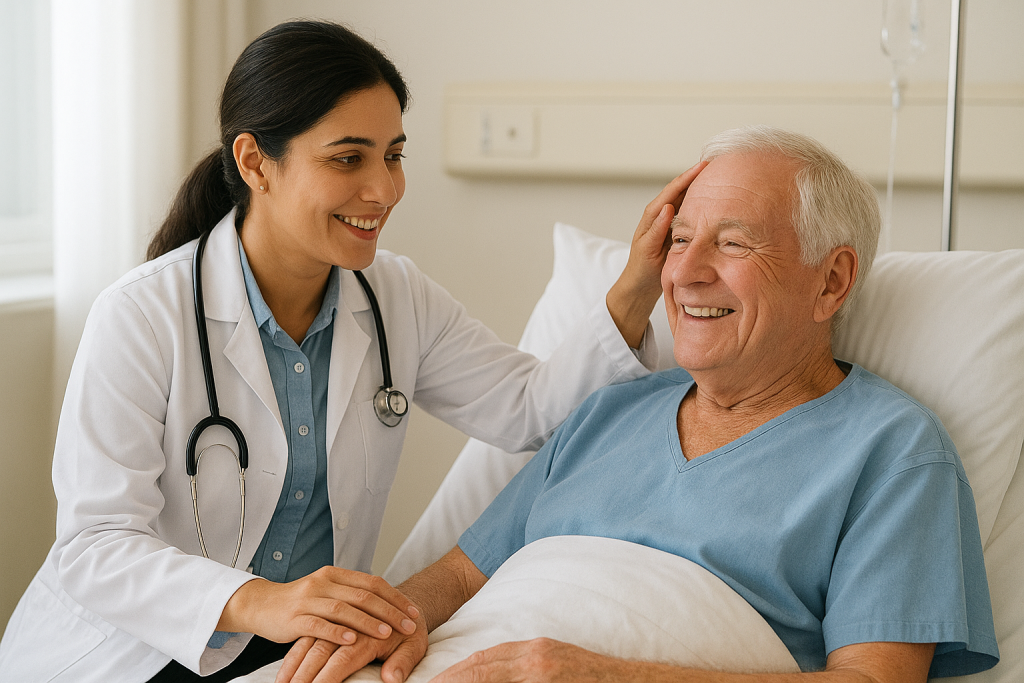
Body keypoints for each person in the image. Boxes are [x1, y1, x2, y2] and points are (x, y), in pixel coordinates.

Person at [0, 20, 703, 683]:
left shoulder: (395, 297)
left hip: (292, 658)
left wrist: (636, 287)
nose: (385, 189)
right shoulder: (142, 314)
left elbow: (528, 410)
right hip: (126, 654)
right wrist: (258, 600)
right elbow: (95, 546)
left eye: (393, 155)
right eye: (348, 159)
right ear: (255, 162)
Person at [277, 127, 1000, 683]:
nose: (683, 272)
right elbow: (465, 575)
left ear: (832, 281)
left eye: (733, 242)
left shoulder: (893, 453)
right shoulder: (608, 413)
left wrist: (608, 674)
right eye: (678, 240)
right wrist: (386, 620)